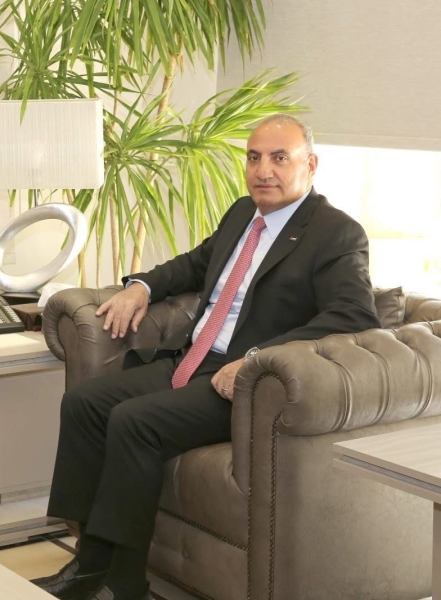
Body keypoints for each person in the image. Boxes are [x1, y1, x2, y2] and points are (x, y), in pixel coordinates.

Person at [31, 114, 381, 600]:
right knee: (84, 403)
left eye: (280, 158)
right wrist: (141, 286)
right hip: (194, 358)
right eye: (254, 157)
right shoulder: (243, 213)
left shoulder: (335, 233)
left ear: (311, 164)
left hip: (248, 382)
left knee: (134, 421)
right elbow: (196, 264)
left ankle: (124, 585)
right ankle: (89, 564)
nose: (263, 170)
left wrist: (257, 358)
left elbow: (354, 316)